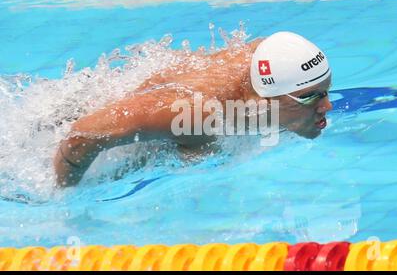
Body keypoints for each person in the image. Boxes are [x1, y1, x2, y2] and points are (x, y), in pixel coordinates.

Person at [53, 31, 333, 186]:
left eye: (326, 92)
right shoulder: (200, 113)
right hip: (72, 128)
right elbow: (82, 135)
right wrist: (66, 198)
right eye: (311, 98)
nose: (327, 106)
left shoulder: (269, 69)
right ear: (267, 98)